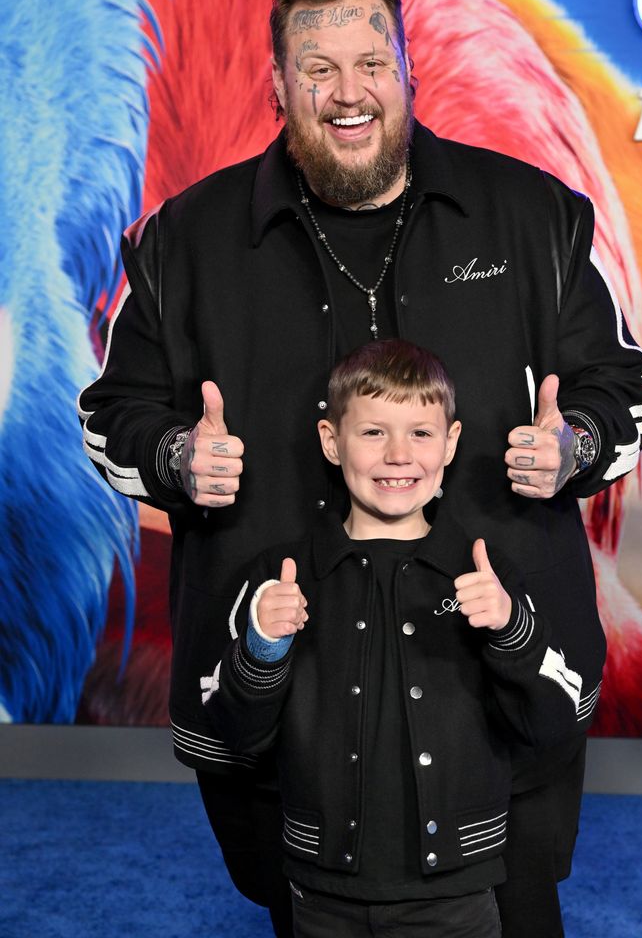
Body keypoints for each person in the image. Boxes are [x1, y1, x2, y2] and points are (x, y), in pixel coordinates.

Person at [77, 0, 642, 938]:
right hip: (284, 704)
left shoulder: (532, 215)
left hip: (500, 678)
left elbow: (622, 388)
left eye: (368, 62)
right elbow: (110, 413)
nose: (347, 92)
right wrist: (176, 456)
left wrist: (576, 444)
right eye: (316, 67)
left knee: (514, 913)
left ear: (406, 68)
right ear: (278, 83)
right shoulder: (184, 240)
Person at [204, 338, 604, 937]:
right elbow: (236, 736)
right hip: (321, 890)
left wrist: (511, 631)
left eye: (420, 433)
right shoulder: (279, 577)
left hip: (459, 892)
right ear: (330, 441)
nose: (398, 455)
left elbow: (551, 724)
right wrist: (263, 648)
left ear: (451, 442)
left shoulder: (486, 575)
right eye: (372, 433)